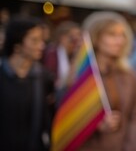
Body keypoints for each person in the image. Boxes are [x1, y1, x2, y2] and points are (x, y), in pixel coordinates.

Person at [78, 11, 136, 150]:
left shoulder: (130, 76)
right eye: (112, 35)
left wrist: (135, 145)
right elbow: (69, 122)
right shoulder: (80, 77)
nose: (120, 40)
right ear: (96, 37)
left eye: (122, 35)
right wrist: (95, 125)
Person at [0, 16, 55, 150]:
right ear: (17, 44)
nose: (41, 46)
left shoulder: (44, 77)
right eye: (34, 40)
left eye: (42, 40)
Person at [42, 21, 82, 105]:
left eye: (79, 38)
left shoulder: (74, 55)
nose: (77, 42)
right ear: (62, 38)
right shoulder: (52, 53)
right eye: (73, 39)